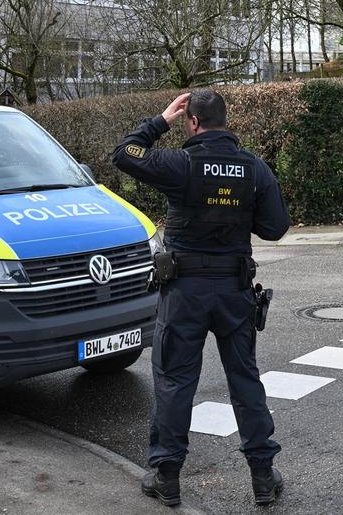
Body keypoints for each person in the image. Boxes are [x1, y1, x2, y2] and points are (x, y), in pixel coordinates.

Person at [112, 89, 291, 508]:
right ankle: (263, 477)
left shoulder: (180, 163)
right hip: (234, 291)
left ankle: (167, 477)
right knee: (244, 381)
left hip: (185, 293)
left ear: (191, 121)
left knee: (175, 383)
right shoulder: (253, 168)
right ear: (225, 121)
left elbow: (124, 154)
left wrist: (160, 120)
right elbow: (275, 227)